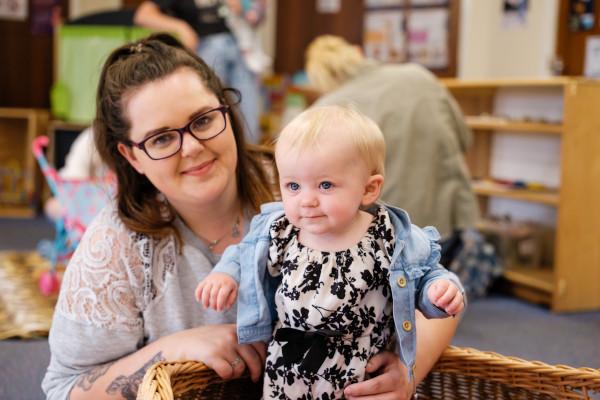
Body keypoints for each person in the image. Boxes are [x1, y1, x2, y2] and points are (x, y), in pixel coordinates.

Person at [42, 33, 460, 400]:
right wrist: (175, 347)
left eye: (203, 120)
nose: (191, 148)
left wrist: (408, 371)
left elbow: (428, 283)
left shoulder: (300, 185)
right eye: (162, 137)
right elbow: (64, 387)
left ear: (226, 111)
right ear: (130, 156)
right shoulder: (115, 247)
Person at [196, 105, 466, 399]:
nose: (307, 200)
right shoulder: (280, 230)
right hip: (289, 369)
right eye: (293, 186)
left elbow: (425, 274)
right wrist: (225, 274)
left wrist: (439, 291)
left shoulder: (388, 236)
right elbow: (244, 256)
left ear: (368, 189)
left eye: (325, 185)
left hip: (360, 372)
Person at [305, 35, 479, 242]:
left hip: (386, 235)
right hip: (448, 221)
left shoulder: (325, 110)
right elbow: (465, 140)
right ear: (357, 53)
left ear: (318, 78)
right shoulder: (419, 77)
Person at [134, 0, 265, 145]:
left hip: (241, 50)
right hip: (205, 50)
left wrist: (242, 8)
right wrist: (181, 27)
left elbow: (257, 16)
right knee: (210, 115)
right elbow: (143, 15)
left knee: (249, 121)